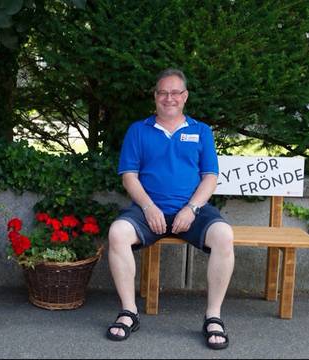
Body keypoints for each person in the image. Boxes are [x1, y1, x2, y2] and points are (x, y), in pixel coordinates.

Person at [106, 69, 234, 350]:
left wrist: (191, 208)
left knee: (224, 235)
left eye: (175, 92)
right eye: (163, 92)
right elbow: (129, 176)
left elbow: (210, 177)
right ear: (155, 96)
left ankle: (213, 316)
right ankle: (129, 312)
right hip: (147, 209)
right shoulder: (138, 130)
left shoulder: (201, 131)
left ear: (185, 96)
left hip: (192, 210)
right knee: (117, 233)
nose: (169, 98)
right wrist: (149, 206)